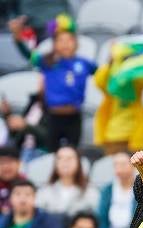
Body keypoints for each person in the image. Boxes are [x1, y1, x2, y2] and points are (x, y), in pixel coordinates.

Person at [9, 14, 95, 151]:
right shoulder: (48, 62)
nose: (65, 44)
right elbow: (28, 54)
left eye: (69, 40)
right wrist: (18, 37)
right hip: (53, 117)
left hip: (74, 116)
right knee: (52, 153)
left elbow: (102, 73)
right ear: (54, 44)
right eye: (61, 40)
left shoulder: (84, 63)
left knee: (72, 153)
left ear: (76, 43)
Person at [36, 146, 98, 216]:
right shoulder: (45, 190)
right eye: (60, 158)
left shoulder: (90, 191)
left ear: (78, 163)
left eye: (69, 158)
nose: (65, 162)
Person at [96, 153, 137, 228]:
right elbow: (101, 217)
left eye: (123, 164)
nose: (119, 168)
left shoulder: (140, 189)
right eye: (116, 165)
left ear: (133, 166)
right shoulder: (107, 190)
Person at [0, 144, 28, 214]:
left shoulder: (26, 185)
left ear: (19, 164)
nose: (6, 166)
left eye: (10, 161)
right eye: (2, 162)